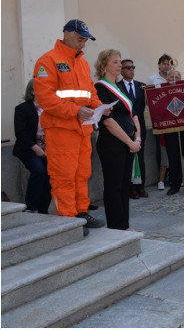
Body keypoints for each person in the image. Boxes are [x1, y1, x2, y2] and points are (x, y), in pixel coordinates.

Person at [32, 19, 105, 235]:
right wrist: (75, 111)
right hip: (61, 130)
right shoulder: (47, 61)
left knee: (82, 174)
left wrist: (100, 107)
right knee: (63, 176)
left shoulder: (81, 63)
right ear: (67, 34)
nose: (84, 44)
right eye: (81, 39)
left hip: (82, 129)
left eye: (86, 40)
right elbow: (46, 99)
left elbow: (90, 92)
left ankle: (81, 212)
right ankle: (68, 221)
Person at [94, 50, 141, 230]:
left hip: (130, 142)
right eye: (115, 62)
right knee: (114, 186)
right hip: (112, 144)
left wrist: (137, 139)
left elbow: (133, 114)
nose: (120, 65)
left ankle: (125, 225)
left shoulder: (120, 87)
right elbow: (108, 121)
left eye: (120, 62)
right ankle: (117, 226)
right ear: (105, 65)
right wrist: (130, 143)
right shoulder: (100, 88)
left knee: (124, 185)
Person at [13, 79, 52, 214]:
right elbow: (20, 133)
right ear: (32, 91)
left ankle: (43, 210)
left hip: (48, 149)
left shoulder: (49, 109)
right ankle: (30, 207)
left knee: (49, 176)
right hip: (28, 148)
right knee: (39, 171)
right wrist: (36, 148)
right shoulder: (22, 109)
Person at [117, 59, 148, 199]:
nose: (131, 70)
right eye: (127, 68)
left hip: (140, 127)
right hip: (124, 128)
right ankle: (130, 188)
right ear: (122, 70)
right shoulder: (116, 87)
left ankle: (141, 186)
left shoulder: (142, 87)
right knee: (128, 159)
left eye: (132, 67)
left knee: (140, 158)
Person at [147, 54, 172, 176]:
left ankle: (173, 174)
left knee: (173, 148)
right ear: (159, 65)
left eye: (168, 64)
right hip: (160, 119)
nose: (166, 66)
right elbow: (149, 99)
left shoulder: (174, 77)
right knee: (160, 148)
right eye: (164, 63)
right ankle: (162, 176)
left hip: (173, 118)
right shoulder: (152, 79)